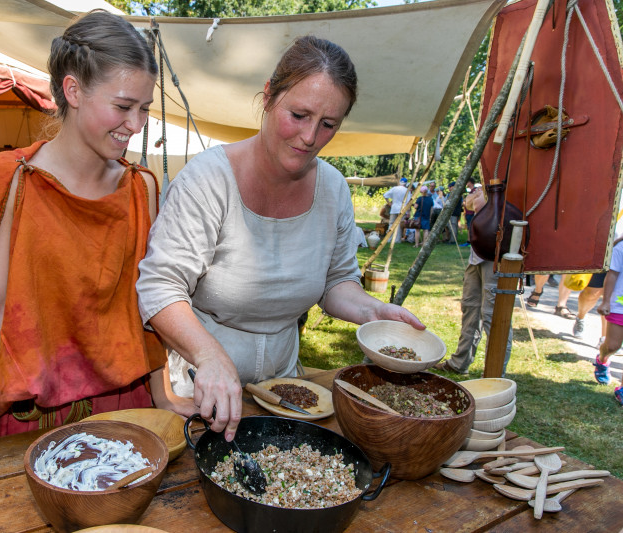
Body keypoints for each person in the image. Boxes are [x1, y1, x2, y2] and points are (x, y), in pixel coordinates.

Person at [0, 11, 166, 487]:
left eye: (145, 108)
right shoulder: (8, 180)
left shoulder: (144, 189)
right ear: (73, 90)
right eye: (123, 106)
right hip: (27, 424)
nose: (136, 125)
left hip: (126, 411)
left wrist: (165, 397)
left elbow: (145, 307)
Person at [136, 36, 425, 442]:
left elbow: (336, 282)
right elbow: (159, 287)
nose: (310, 136)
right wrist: (209, 356)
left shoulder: (333, 190)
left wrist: (373, 311)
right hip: (199, 385)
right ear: (269, 96)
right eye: (299, 115)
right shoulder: (208, 180)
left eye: (328, 125)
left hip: (285, 389)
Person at [434, 189, 513, 376]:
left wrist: (479, 199)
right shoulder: (486, 184)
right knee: (471, 308)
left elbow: (477, 204)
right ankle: (460, 363)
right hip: (478, 254)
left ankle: (495, 375)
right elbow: (469, 203)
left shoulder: (507, 185)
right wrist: (478, 198)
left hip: (497, 256)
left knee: (494, 315)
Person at [593, 238, 623, 406]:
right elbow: (612, 275)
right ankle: (602, 359)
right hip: (620, 305)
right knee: (612, 346)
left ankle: (622, 388)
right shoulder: (621, 247)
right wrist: (605, 302)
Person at [383, 177, 411, 242]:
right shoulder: (407, 191)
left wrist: (389, 203)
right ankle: (397, 239)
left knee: (391, 224)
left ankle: (389, 238)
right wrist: (408, 212)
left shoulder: (394, 188)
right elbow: (409, 202)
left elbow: (385, 195)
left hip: (394, 208)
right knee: (399, 225)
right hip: (402, 209)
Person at [462, 177, 481, 247]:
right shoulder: (471, 191)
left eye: (467, 182)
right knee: (469, 226)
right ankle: (469, 240)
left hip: (471, 212)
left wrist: (466, 203)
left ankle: (470, 241)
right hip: (468, 212)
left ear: (470, 182)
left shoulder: (475, 191)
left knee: (470, 227)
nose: (466, 184)